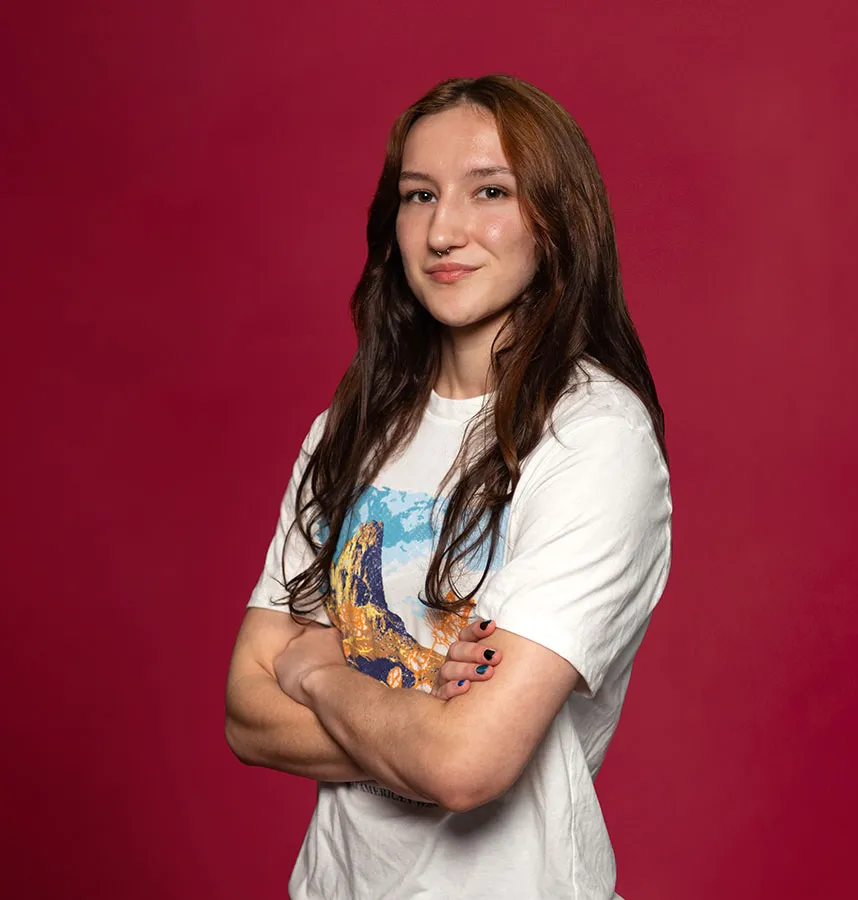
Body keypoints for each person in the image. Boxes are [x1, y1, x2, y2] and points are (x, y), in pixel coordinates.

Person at [223, 74, 672, 900]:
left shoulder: (592, 440)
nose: (444, 229)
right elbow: (246, 712)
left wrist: (321, 668)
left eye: (489, 191)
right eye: (418, 194)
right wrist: (431, 704)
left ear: (555, 220)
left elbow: (469, 764)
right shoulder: (348, 430)